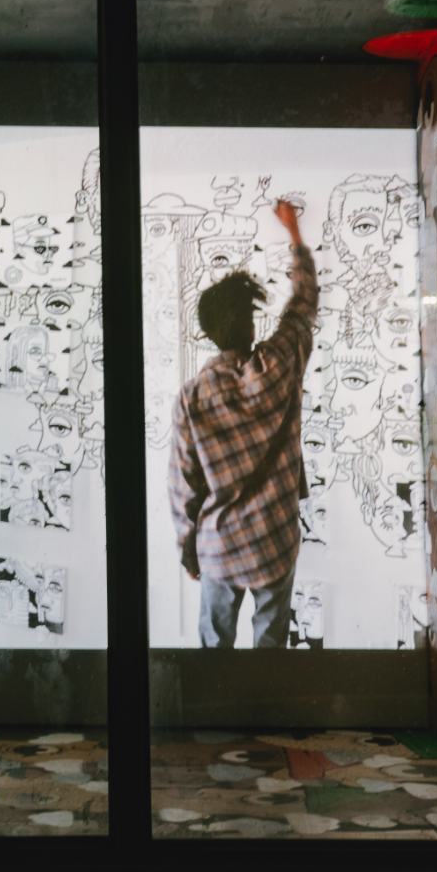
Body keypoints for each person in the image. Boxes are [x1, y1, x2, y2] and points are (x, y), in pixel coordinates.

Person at [169, 199, 317, 649]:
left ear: (209, 332)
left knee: (214, 654)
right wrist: (293, 233)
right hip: (274, 538)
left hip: (219, 546)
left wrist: (189, 551)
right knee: (270, 648)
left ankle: (218, 720)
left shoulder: (192, 396)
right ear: (251, 328)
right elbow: (304, 302)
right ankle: (265, 717)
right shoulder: (278, 364)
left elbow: (184, 487)